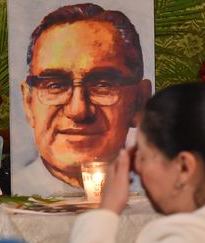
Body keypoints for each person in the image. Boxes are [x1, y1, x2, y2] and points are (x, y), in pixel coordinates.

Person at [70, 82, 205, 243]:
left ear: (184, 167)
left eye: (144, 156)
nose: (135, 167)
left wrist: (105, 211)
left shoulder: (183, 237)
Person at [15, 3, 151, 197]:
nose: (78, 110)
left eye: (103, 84)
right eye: (55, 85)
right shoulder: (16, 192)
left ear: (139, 101)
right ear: (28, 103)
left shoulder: (158, 195)